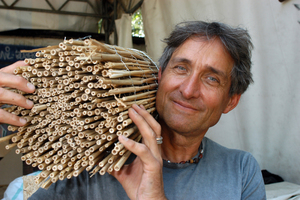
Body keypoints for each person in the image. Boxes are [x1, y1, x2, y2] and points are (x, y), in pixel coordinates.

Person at [0, 21, 266, 200]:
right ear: (160, 76)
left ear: (231, 101)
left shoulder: (241, 171)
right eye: (181, 68)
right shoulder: (94, 163)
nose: (188, 90)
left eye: (211, 79)